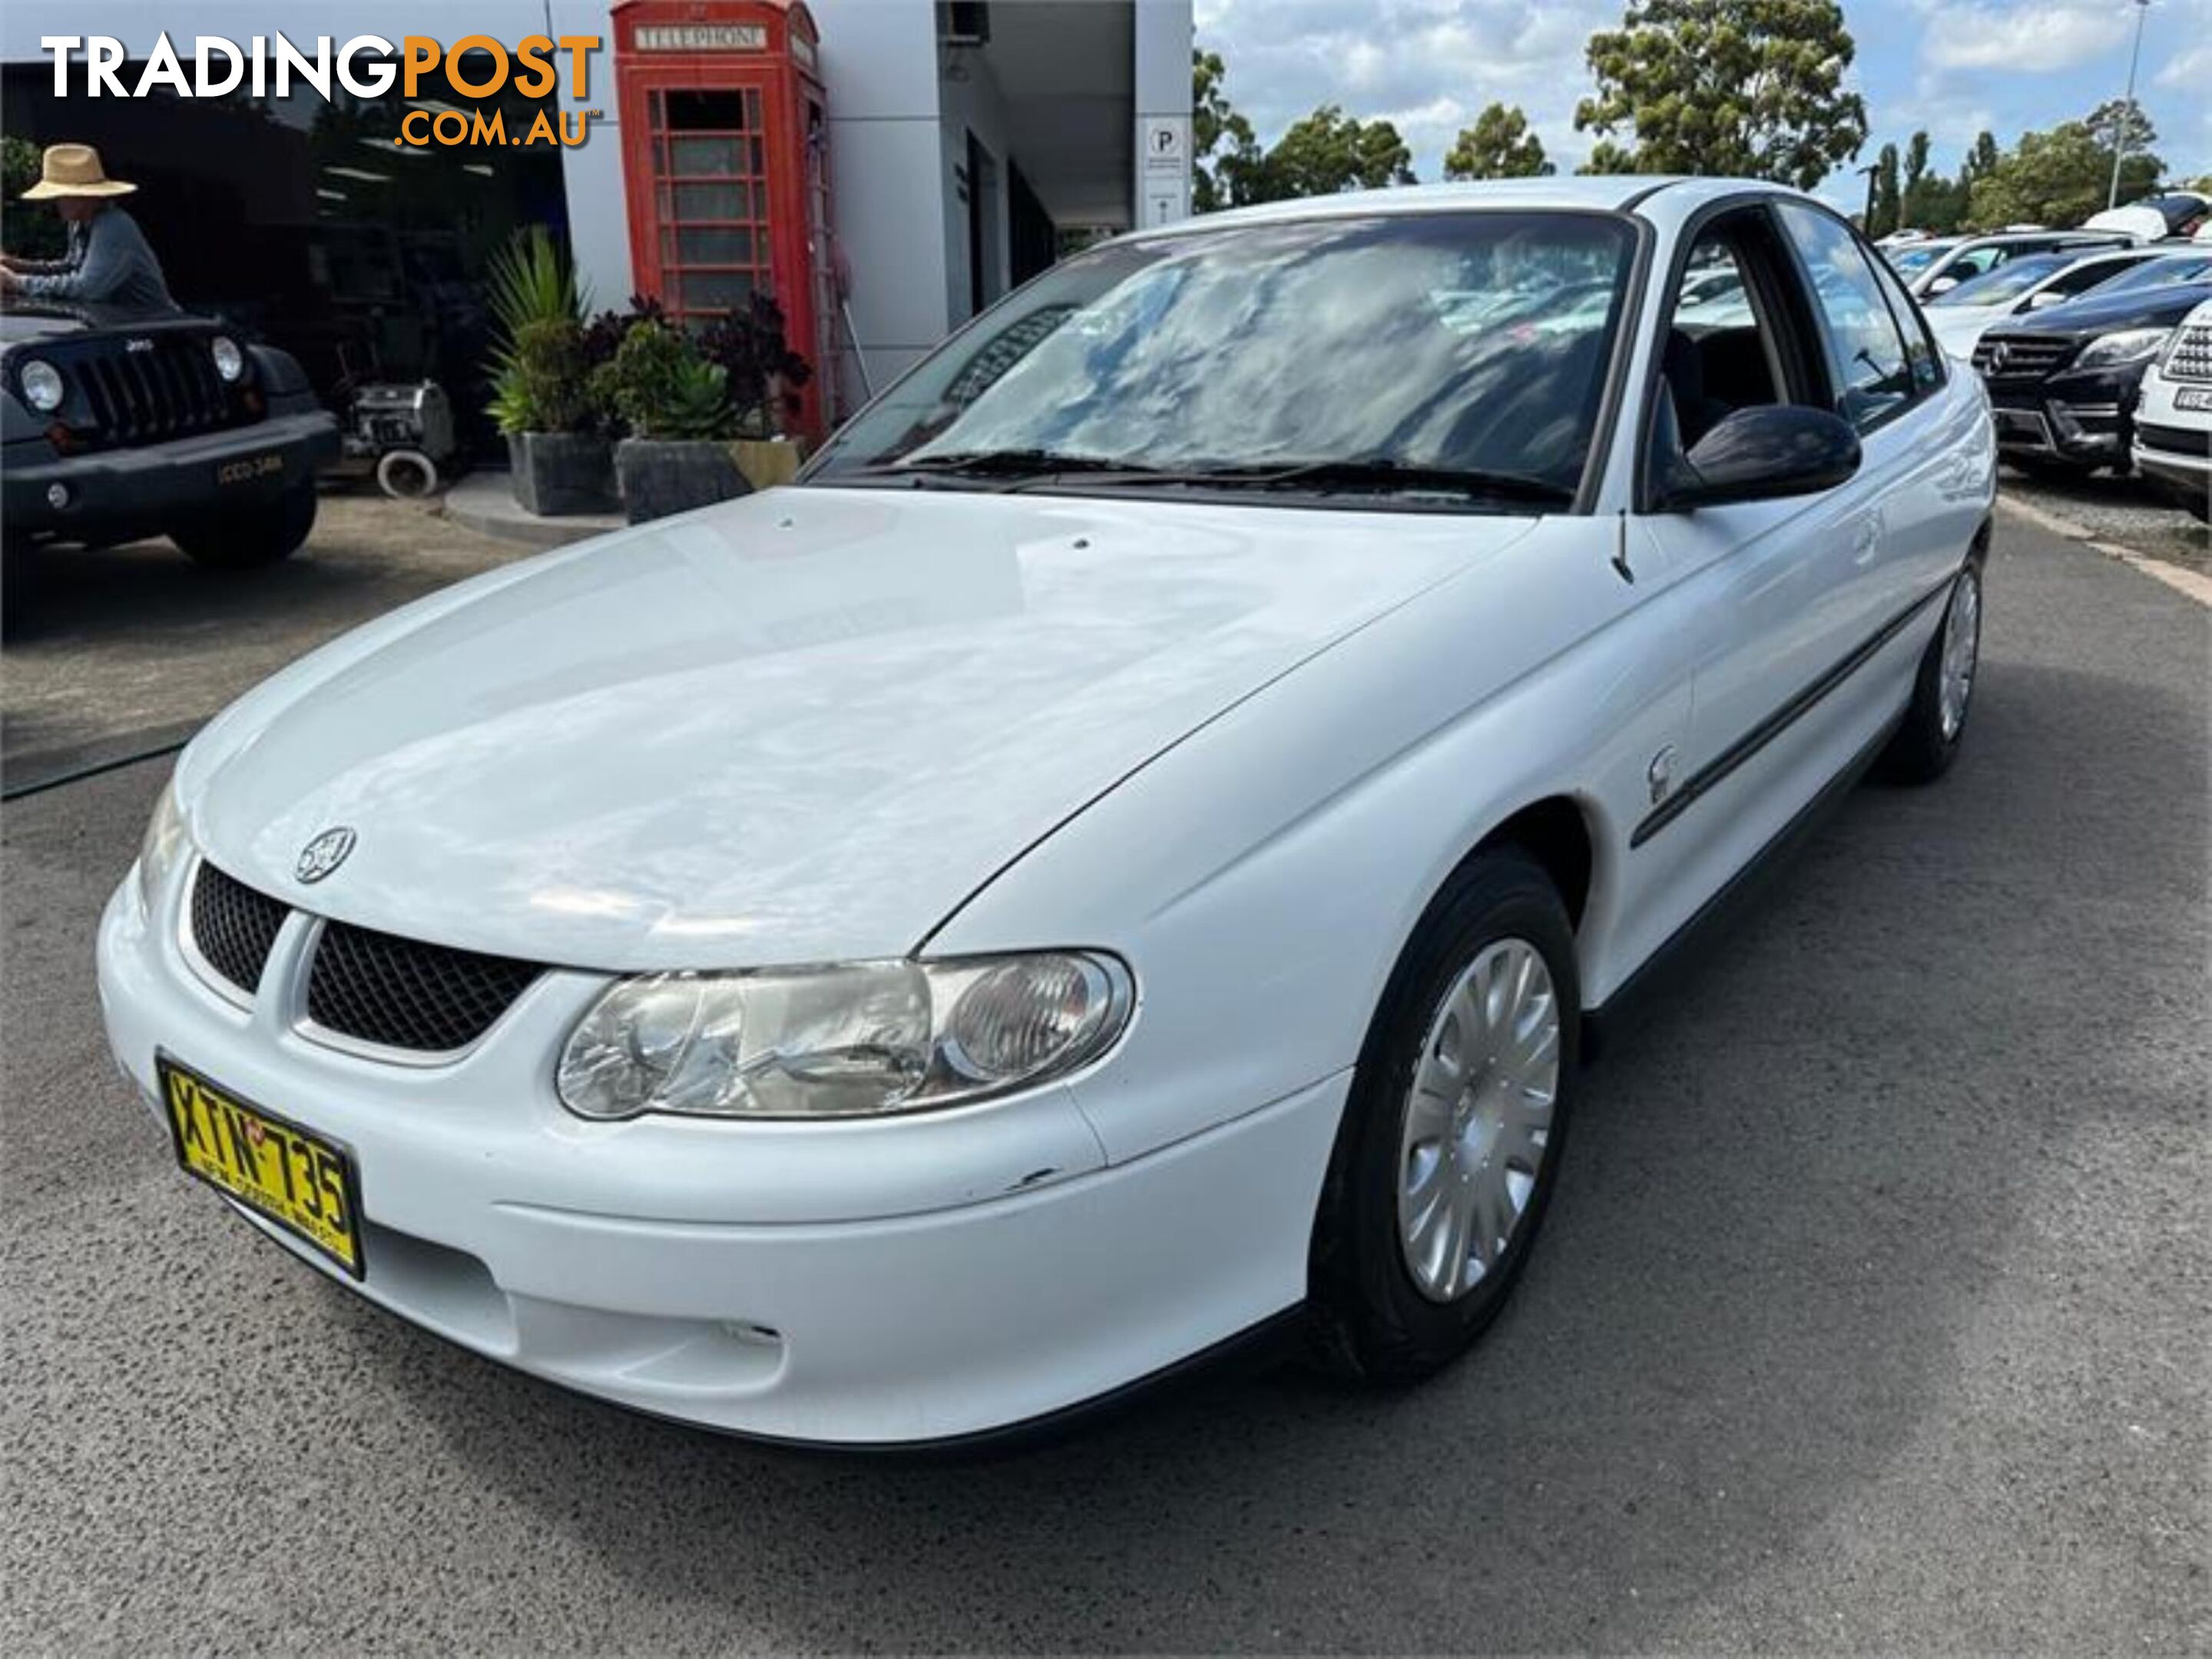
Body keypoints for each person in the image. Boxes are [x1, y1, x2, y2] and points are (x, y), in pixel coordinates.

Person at [0, 143, 175, 313]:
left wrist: (18, 282)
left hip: (155, 330)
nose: (56, 202)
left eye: (62, 195)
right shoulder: (79, 223)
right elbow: (71, 267)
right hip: (114, 327)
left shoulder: (113, 225)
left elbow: (88, 289)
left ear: (85, 196)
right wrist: (16, 265)